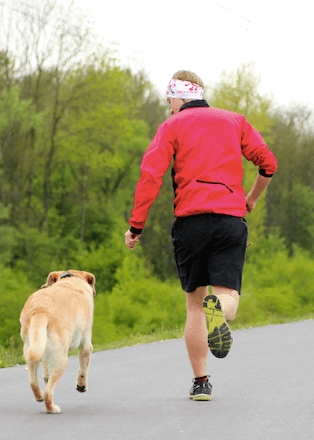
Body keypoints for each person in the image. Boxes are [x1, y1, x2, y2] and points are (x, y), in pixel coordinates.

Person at [124, 70, 277, 401]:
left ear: (179, 97)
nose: (168, 109)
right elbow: (268, 164)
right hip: (229, 220)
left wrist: (137, 226)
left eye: (169, 102)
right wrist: (250, 199)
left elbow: (150, 176)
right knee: (228, 299)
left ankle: (201, 382)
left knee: (194, 306)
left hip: (191, 223)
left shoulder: (172, 126)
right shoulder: (235, 120)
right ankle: (219, 308)